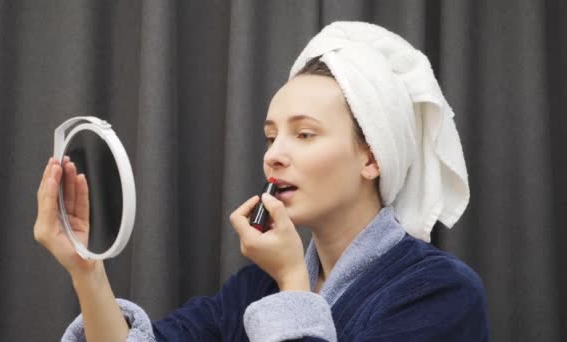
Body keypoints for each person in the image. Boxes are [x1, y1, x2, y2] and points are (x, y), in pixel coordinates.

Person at [34, 21, 490, 341]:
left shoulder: (441, 293)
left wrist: (293, 278)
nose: (274, 154)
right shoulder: (256, 288)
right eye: (271, 137)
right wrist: (86, 269)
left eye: (304, 134)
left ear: (371, 158)